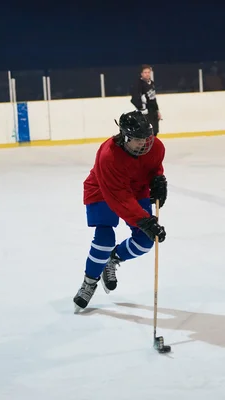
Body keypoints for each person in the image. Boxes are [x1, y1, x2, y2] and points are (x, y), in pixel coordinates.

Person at [74, 110, 168, 312]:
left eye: (146, 138)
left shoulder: (156, 146)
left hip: (135, 189)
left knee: (145, 241)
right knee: (104, 238)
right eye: (138, 140)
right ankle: (89, 282)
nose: (144, 143)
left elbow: (154, 167)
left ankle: (113, 259)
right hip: (102, 189)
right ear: (125, 137)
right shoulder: (108, 155)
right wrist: (145, 220)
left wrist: (158, 181)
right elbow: (120, 198)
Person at [131, 64, 162, 136]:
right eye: (145, 72)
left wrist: (157, 111)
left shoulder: (151, 83)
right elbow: (134, 99)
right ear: (141, 74)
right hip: (146, 113)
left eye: (148, 72)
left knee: (155, 131)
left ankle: (154, 146)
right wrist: (141, 108)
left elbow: (153, 99)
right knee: (148, 132)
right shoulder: (138, 84)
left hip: (153, 111)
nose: (147, 74)